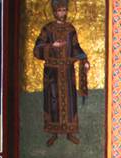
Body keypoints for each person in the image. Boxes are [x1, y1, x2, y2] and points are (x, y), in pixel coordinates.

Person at [34, 0, 88, 146]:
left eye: (64, 10)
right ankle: (54, 133)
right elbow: (37, 50)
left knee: (70, 101)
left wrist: (84, 59)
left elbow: (76, 47)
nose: (62, 13)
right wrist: (52, 46)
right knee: (53, 101)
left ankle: (70, 132)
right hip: (53, 72)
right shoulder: (47, 29)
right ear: (54, 11)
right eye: (59, 11)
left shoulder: (71, 29)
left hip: (67, 71)